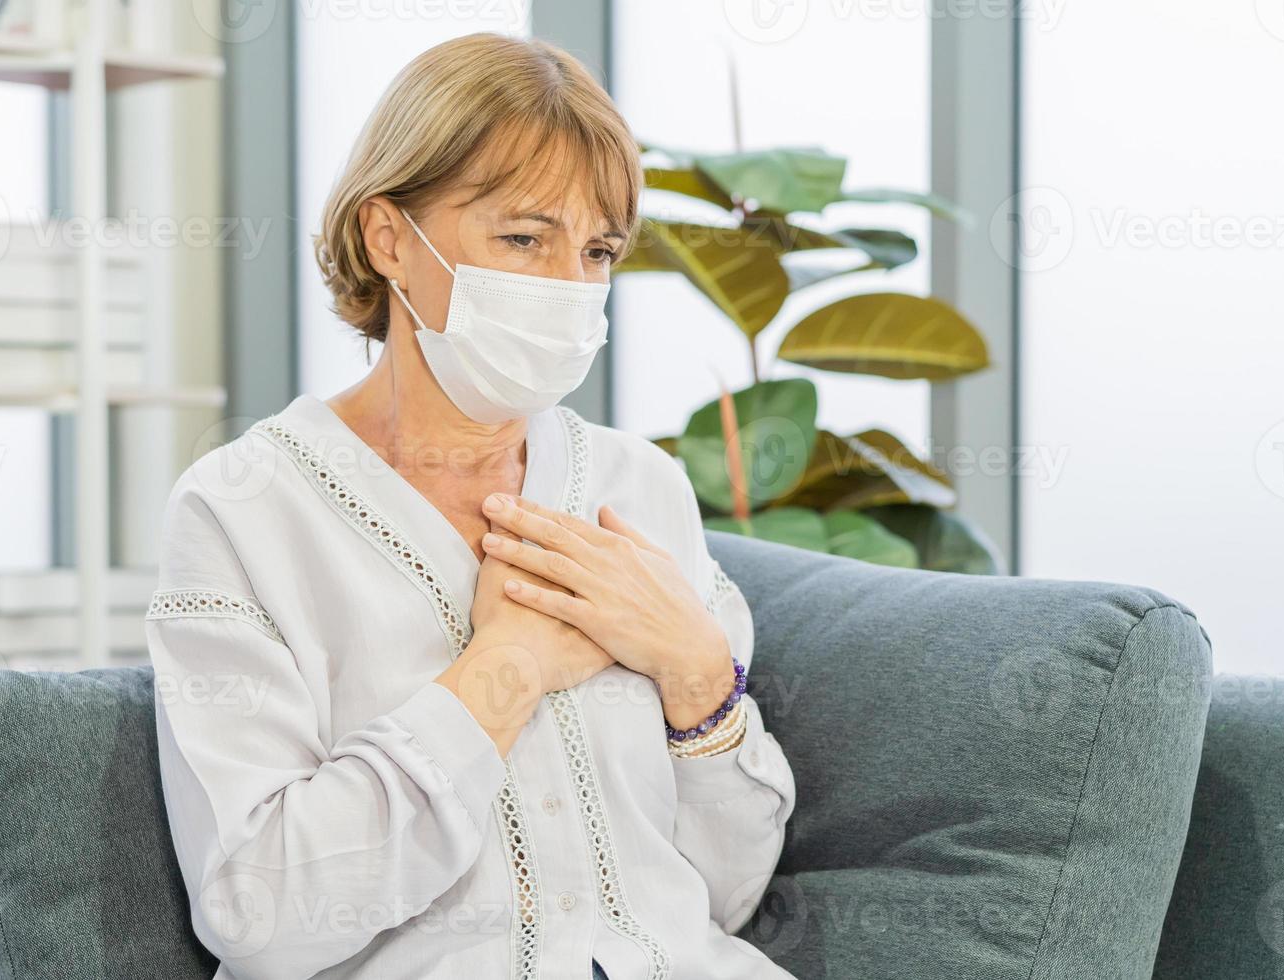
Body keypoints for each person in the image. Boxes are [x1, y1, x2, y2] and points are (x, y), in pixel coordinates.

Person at [145, 31, 796, 980]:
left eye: (598, 250)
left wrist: (699, 678)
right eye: (525, 238)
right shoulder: (242, 510)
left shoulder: (639, 489)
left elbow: (721, 897)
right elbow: (261, 912)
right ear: (387, 239)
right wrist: (505, 671)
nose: (571, 288)